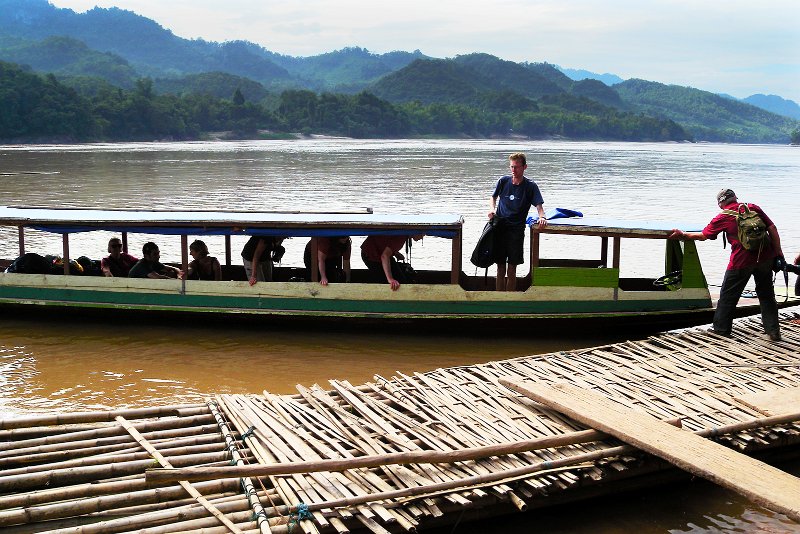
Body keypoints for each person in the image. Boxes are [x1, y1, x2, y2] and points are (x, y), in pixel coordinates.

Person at [669, 188, 783, 341]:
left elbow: (704, 235)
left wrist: (683, 235)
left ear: (720, 204)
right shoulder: (753, 208)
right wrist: (778, 254)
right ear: (735, 197)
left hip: (740, 262)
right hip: (765, 258)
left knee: (728, 296)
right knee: (767, 295)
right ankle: (773, 332)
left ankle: (721, 330)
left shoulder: (722, 217)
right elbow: (772, 229)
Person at [488, 152, 547, 291]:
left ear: (524, 167)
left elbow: (539, 206)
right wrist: (492, 209)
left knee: (512, 267)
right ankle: (498, 298)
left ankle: (509, 299)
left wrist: (542, 217)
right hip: (500, 228)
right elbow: (493, 197)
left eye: (517, 167)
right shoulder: (503, 181)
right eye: (511, 167)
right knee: (500, 267)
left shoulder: (530, 186)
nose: (513, 170)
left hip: (516, 230)